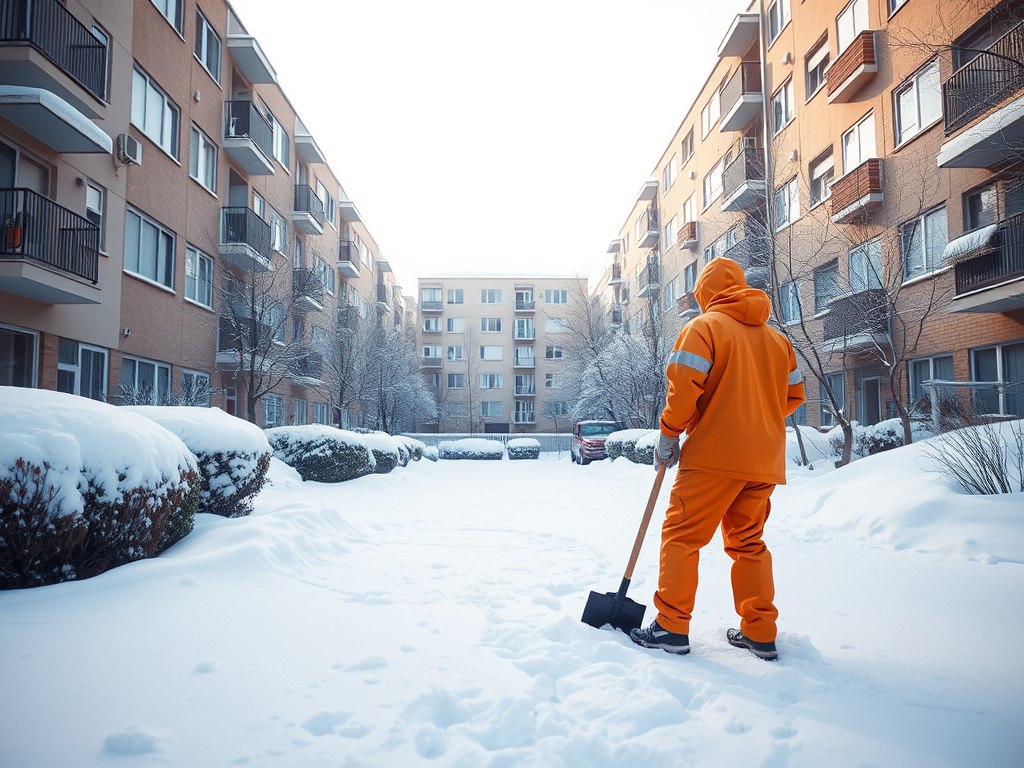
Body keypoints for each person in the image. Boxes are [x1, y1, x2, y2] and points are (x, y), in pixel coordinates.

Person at [629, 257, 805, 661]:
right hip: (763, 460)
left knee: (682, 536)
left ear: (705, 294)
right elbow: (793, 396)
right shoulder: (780, 341)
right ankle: (760, 633)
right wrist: (755, 421)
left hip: (712, 458)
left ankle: (672, 627)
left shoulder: (703, 328)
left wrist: (670, 433)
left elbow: (683, 390)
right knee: (749, 543)